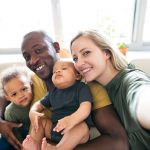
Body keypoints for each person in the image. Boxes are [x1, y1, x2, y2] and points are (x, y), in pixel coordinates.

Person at [0, 30, 129, 150]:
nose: (32, 61)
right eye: (27, 57)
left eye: (38, 50)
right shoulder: (33, 81)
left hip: (68, 139)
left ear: (56, 47)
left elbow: (119, 142)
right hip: (46, 135)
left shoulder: (87, 86)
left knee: (81, 127)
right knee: (39, 123)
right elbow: (5, 94)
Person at [70, 29, 150, 150]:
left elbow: (143, 96)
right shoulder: (95, 92)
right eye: (75, 58)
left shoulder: (131, 81)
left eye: (86, 53)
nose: (79, 63)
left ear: (106, 53)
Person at [22, 60, 93, 150]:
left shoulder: (81, 88)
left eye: (63, 68)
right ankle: (35, 144)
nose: (57, 71)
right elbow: (39, 104)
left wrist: (71, 119)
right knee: (40, 121)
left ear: (77, 76)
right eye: (54, 71)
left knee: (81, 127)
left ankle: (57, 149)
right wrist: (32, 111)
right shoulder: (53, 92)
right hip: (55, 129)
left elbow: (85, 108)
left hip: (75, 132)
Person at [0, 66, 33, 143]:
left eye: (24, 89)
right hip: (21, 136)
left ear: (31, 85)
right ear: (8, 98)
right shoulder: (10, 112)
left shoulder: (37, 100)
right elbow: (14, 135)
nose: (21, 95)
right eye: (14, 94)